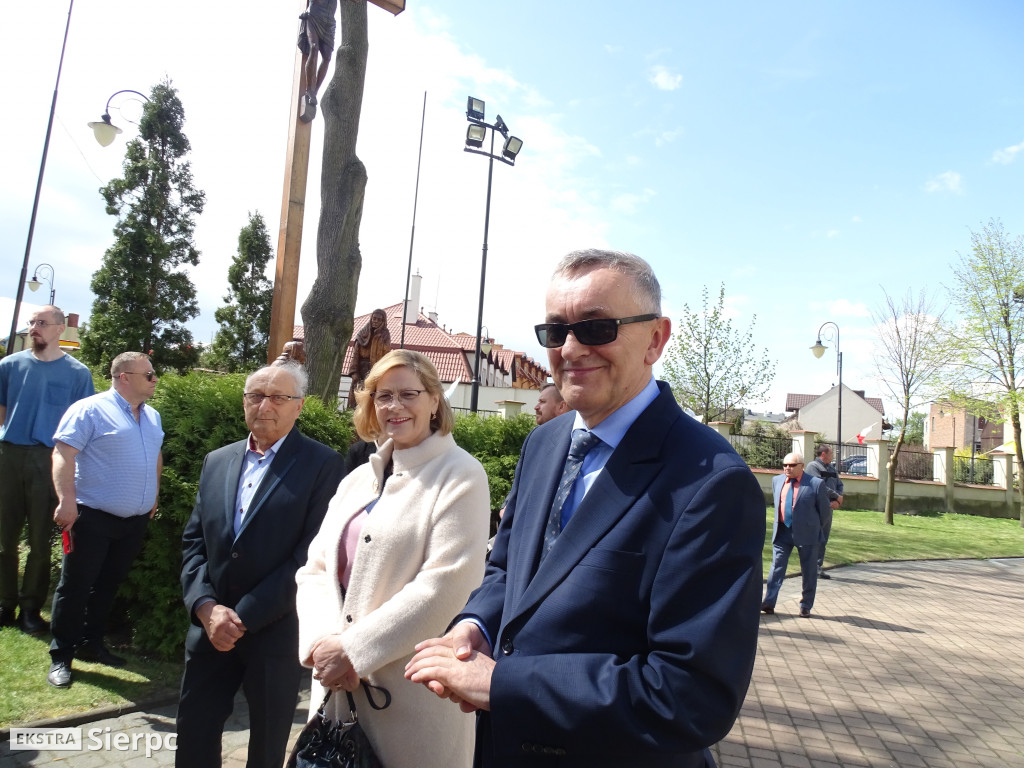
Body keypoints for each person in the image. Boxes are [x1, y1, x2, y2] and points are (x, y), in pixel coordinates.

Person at [406, 249, 765, 768]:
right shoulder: (544, 443)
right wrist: (476, 627)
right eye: (556, 331)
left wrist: (504, 683)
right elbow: (509, 570)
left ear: (656, 339)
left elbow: (691, 695)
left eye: (597, 328)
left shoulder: (710, 481)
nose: (571, 348)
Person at [296, 349, 490, 768]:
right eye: (383, 396)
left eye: (408, 394)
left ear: (434, 400)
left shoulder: (462, 474)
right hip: (334, 694)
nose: (394, 406)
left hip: (411, 701)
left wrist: (352, 650)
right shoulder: (357, 479)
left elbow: (446, 584)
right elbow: (315, 570)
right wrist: (321, 645)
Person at [176, 363, 346, 768]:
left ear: (298, 407)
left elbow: (311, 556)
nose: (264, 405)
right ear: (244, 402)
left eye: (278, 397)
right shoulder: (217, 461)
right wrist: (206, 608)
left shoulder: (323, 464)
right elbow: (194, 543)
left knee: (267, 749)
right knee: (194, 736)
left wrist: (242, 617)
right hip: (210, 630)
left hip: (275, 632)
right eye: (255, 396)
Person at [46, 352, 163, 688]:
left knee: (108, 585)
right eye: (149, 374)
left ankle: (92, 644)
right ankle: (61, 656)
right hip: (91, 517)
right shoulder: (90, 409)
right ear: (124, 377)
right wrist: (67, 501)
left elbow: (156, 455)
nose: (155, 379)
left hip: (133, 521)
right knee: (76, 586)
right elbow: (63, 453)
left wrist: (153, 495)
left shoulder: (152, 416)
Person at [0, 305, 94, 634]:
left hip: (50, 460)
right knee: (3, 537)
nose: (34, 328)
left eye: (41, 322)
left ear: (59, 329)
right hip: (9, 455)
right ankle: (4, 603)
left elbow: (83, 424)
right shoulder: (9, 366)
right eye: (31, 322)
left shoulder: (78, 374)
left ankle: (30, 609)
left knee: (40, 541)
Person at [761, 452, 830, 619]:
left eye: (792, 465)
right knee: (776, 568)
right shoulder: (777, 481)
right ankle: (769, 602)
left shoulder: (815, 484)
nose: (787, 468)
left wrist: (813, 528)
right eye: (785, 465)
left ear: (802, 466)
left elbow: (825, 512)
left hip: (807, 534)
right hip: (782, 532)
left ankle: (806, 605)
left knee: (809, 571)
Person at [804, 444, 843, 579]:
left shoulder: (831, 468)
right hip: (816, 508)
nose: (832, 456)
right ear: (823, 454)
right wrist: (835, 496)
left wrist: (837, 500)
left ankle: (818, 567)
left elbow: (839, 484)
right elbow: (819, 486)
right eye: (831, 453)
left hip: (829, 508)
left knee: (823, 538)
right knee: (814, 537)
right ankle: (809, 567)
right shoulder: (813, 467)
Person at [297, 0, 338, 122]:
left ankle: (314, 91)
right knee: (314, 48)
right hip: (315, 15)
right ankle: (309, 90)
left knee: (327, 57)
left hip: (329, 22)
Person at [347, 308, 392, 409]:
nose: (375, 321)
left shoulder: (385, 335)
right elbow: (355, 355)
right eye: (374, 318)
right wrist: (354, 372)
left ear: (383, 321)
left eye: (379, 319)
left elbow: (387, 355)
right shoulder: (362, 334)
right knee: (356, 399)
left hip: (375, 370)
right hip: (361, 369)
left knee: (372, 398)